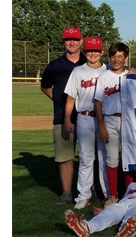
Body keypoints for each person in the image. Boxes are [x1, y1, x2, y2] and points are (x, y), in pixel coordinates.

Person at [64, 159, 136, 237]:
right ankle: (86, 227)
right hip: (125, 203)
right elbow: (123, 202)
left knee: (135, 217)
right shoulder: (133, 185)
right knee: (110, 213)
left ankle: (124, 232)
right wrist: (104, 211)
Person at [40, 26, 86, 205]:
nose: (72, 42)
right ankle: (67, 192)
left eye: (75, 39)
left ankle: (89, 191)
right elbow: (45, 86)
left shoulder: (90, 61)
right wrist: (58, 100)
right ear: (64, 42)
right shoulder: (54, 66)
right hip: (62, 117)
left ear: (81, 41)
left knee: (88, 156)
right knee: (65, 157)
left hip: (86, 117)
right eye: (68, 39)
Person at [64, 36, 110, 209]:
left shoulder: (108, 70)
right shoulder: (78, 71)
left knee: (105, 157)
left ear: (102, 52)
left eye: (96, 50)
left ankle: (107, 194)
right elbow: (71, 97)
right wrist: (68, 119)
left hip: (105, 119)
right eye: (90, 50)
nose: (93, 53)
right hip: (84, 117)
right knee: (86, 158)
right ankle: (83, 195)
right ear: (85, 52)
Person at [94, 42, 130, 208]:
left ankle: (130, 194)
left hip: (127, 120)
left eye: (120, 56)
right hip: (109, 119)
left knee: (129, 158)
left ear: (126, 58)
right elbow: (98, 103)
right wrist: (101, 125)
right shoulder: (103, 77)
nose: (116, 59)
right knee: (112, 158)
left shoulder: (131, 76)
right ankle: (113, 195)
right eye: (113, 56)